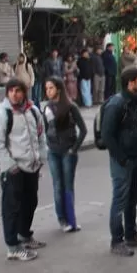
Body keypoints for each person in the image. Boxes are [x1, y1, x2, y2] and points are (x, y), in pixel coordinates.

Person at [0, 79, 47, 261]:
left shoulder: (33, 111)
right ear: (7, 93)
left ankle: (24, 235)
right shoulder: (1, 114)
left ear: (24, 92)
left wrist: (41, 158)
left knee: (30, 203)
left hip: (32, 166)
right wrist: (10, 166)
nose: (15, 94)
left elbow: (40, 136)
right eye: (11, 91)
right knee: (12, 208)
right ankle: (13, 246)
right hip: (14, 169)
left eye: (18, 91)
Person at [101, 67, 137, 257]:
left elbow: (133, 127)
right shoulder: (117, 104)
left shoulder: (134, 100)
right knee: (120, 201)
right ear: (130, 83)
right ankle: (117, 241)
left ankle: (131, 235)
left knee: (132, 199)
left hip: (135, 156)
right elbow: (107, 135)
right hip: (122, 160)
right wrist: (120, 157)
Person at [42, 76, 87, 232]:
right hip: (53, 151)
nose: (48, 91)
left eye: (51, 88)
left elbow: (83, 130)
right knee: (57, 185)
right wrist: (47, 146)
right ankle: (61, 219)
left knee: (68, 186)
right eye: (46, 88)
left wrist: (73, 149)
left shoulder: (70, 107)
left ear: (59, 89)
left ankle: (71, 219)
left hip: (68, 151)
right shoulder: (46, 108)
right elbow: (45, 129)